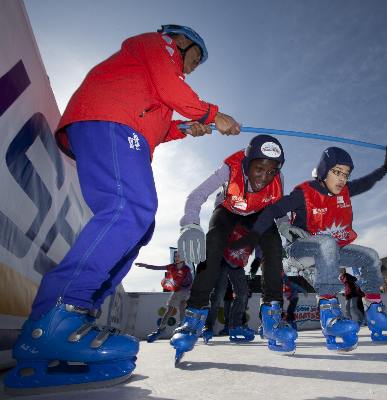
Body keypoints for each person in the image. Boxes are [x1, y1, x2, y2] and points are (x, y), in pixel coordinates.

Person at [5, 25, 241, 393]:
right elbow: (171, 87)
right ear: (180, 41)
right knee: (129, 207)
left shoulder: (154, 79)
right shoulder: (158, 45)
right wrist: (213, 114)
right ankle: (54, 320)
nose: (192, 67)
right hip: (109, 120)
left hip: (125, 127)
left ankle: (78, 318)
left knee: (139, 222)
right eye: (194, 58)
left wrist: (187, 127)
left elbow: (158, 124)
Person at [231, 145, 387, 352]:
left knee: (369, 256)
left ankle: (376, 315)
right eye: (337, 172)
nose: (342, 179)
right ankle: (330, 315)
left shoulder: (345, 191)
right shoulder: (305, 193)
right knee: (326, 243)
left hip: (331, 251)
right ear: (323, 171)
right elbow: (272, 208)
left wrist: (385, 169)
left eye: (346, 174)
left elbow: (367, 182)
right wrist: (268, 230)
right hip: (301, 250)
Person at [171, 135, 297, 363]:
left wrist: (286, 225)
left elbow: (277, 209)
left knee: (273, 244)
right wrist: (190, 223)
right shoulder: (229, 168)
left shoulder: (278, 179)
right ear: (247, 163)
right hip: (229, 208)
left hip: (258, 213)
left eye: (271, 172)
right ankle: (194, 314)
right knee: (214, 241)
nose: (264, 178)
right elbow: (197, 194)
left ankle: (271, 315)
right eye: (259, 169)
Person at [202, 224, 255, 343]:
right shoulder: (236, 225)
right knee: (219, 294)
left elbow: (249, 254)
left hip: (237, 265)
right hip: (223, 261)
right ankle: (208, 326)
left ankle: (235, 326)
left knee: (243, 293)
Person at [136, 251, 193, 342]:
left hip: (185, 291)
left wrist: (185, 289)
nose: (176, 258)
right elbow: (157, 268)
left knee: (182, 306)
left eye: (178, 256)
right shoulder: (172, 266)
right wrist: (145, 265)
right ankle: (161, 330)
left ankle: (182, 329)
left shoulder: (186, 269)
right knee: (169, 310)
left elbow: (190, 283)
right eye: (175, 256)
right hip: (176, 291)